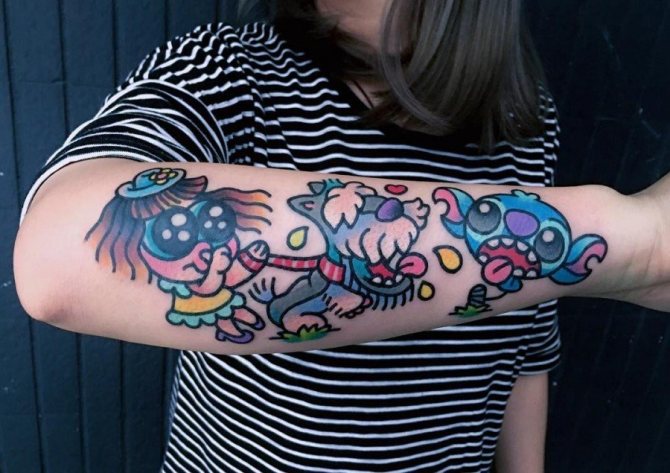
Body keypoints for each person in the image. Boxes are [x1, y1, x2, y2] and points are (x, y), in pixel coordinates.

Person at [13, 0, 670, 471]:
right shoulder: (231, 71)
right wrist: (637, 241)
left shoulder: (526, 119)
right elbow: (59, 255)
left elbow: (525, 336)